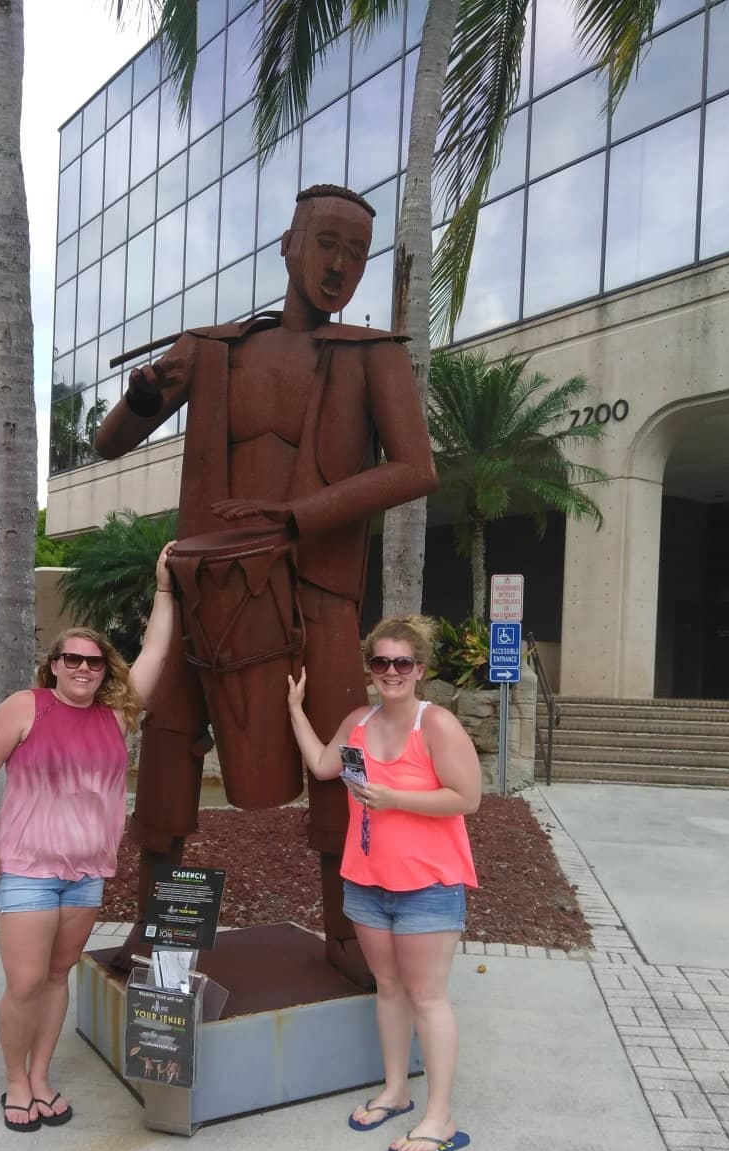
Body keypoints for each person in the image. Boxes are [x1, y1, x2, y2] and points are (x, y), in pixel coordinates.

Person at [94, 184, 438, 988]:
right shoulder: (215, 347)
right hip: (206, 580)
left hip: (313, 588)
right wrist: (142, 398)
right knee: (171, 744)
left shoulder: (369, 353)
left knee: (339, 761)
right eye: (327, 243)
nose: (341, 265)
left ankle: (346, 935)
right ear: (288, 245)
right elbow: (112, 443)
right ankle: (157, 934)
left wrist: (298, 516)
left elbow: (417, 466)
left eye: (356, 253)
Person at [0, 545, 176, 1132]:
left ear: (106, 671)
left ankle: (40, 1075)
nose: (84, 669)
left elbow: (154, 652)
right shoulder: (25, 708)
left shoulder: (117, 717)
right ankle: (14, 1081)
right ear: (53, 664)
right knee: (26, 981)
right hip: (28, 869)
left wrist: (165, 589)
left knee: (58, 978)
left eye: (95, 663)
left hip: (86, 873)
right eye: (73, 660)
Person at [287, 615, 481, 1151]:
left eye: (402, 663)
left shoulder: (436, 724)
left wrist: (395, 798)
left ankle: (439, 1116)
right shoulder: (359, 720)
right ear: (370, 668)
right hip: (367, 881)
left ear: (419, 669)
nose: (390, 672)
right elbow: (325, 766)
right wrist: (294, 710)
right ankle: (396, 1091)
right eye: (380, 662)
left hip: (428, 884)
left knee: (428, 997)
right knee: (389, 989)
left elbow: (467, 798)